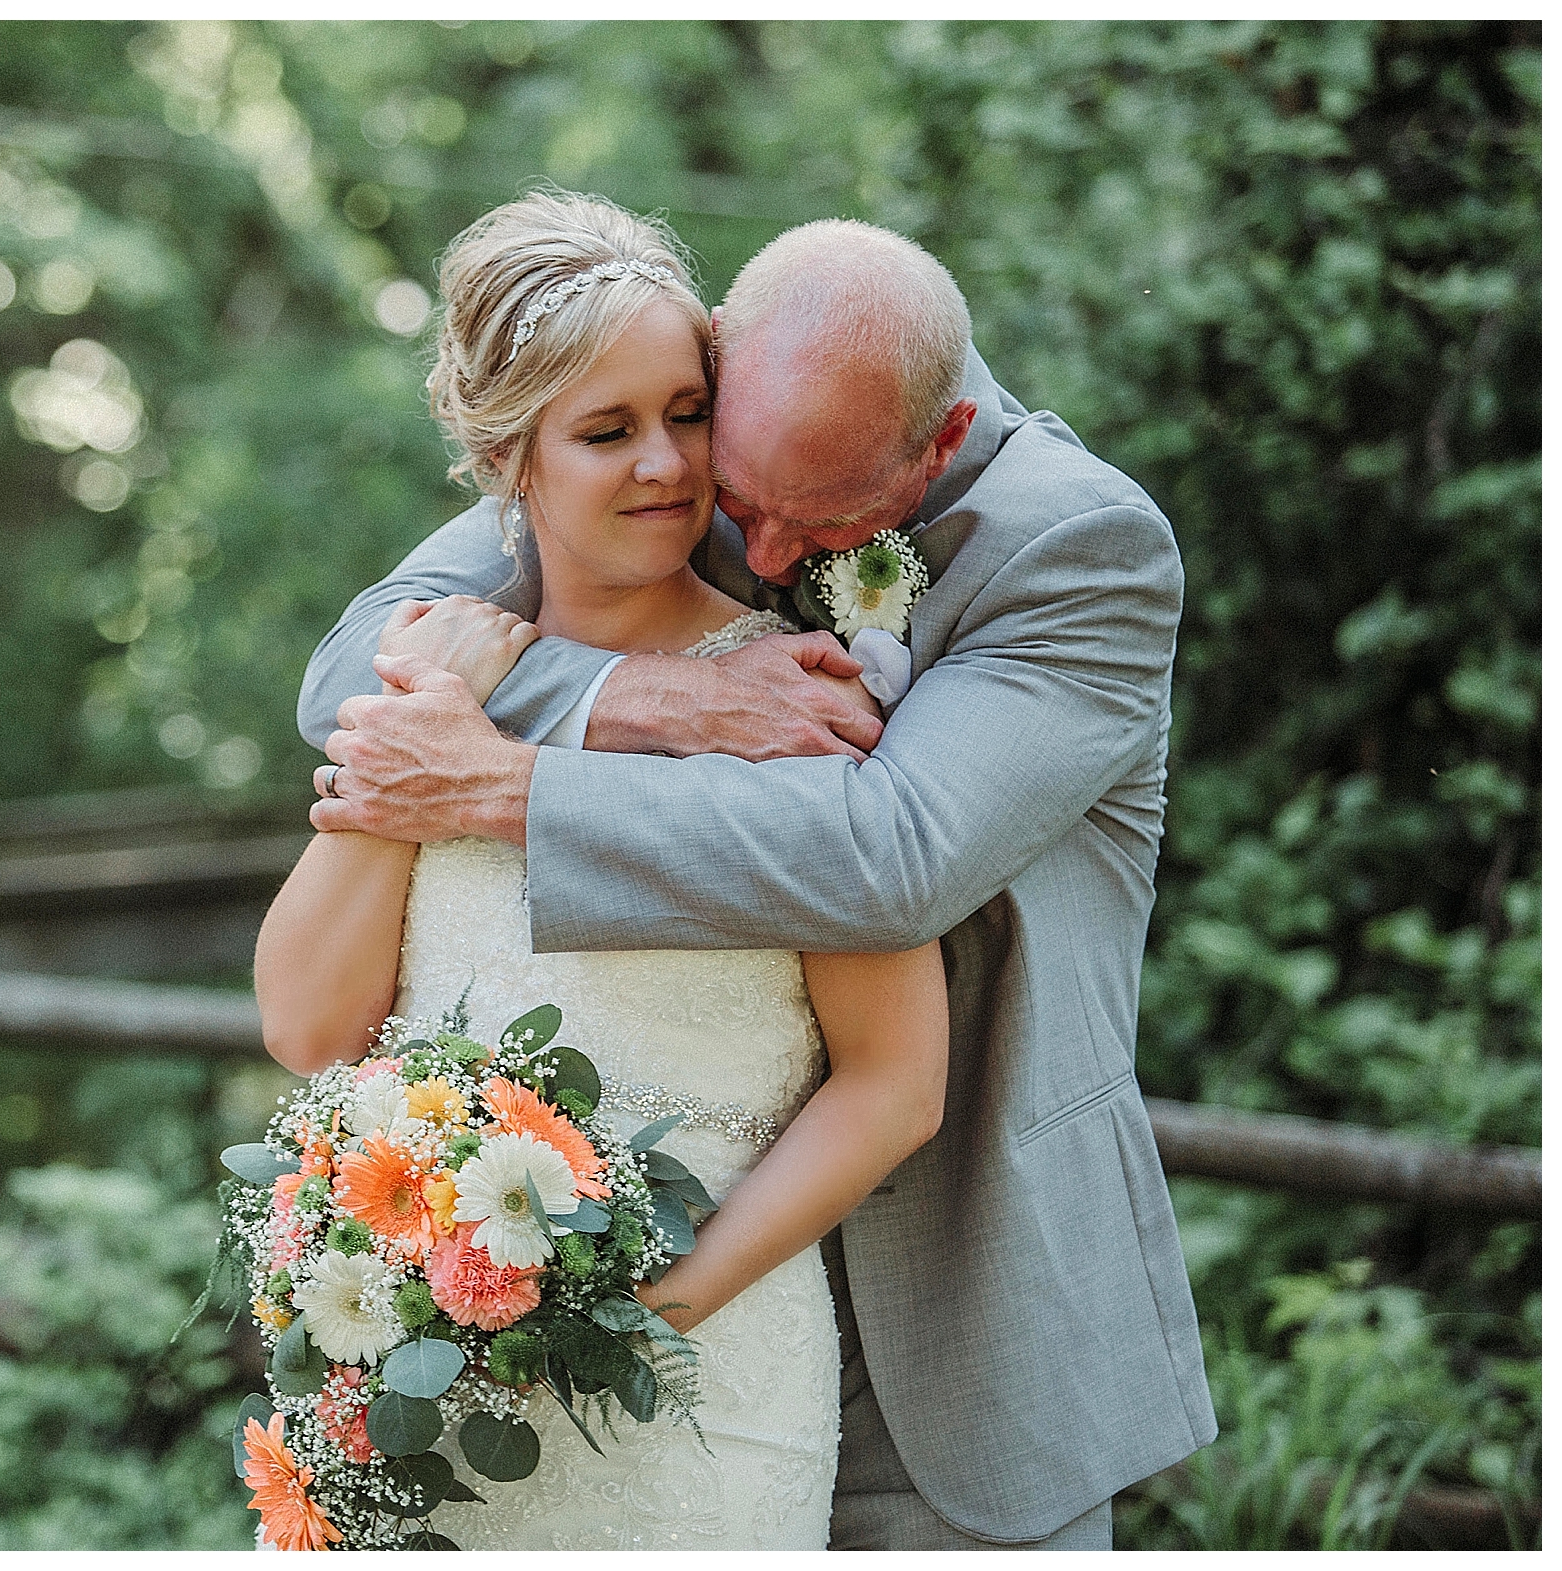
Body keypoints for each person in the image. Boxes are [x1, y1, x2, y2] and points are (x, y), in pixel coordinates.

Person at [300, 215, 1216, 1549]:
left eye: (824, 521)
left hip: (969, 1289)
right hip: (622, 1283)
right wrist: (647, 695)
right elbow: (355, 673)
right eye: (743, 502)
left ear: (942, 444)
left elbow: (886, 860)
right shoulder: (681, 451)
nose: (766, 556)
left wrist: (506, 787)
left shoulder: (1081, 549)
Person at [253, 191, 950, 1550]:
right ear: (504, 456)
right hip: (427, 1392)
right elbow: (307, 1027)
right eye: (607, 431)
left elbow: (894, 1084)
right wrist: (419, 737)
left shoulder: (791, 704)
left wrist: (641, 1319)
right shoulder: (447, 679)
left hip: (705, 1395)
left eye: (686, 414)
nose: (667, 466)